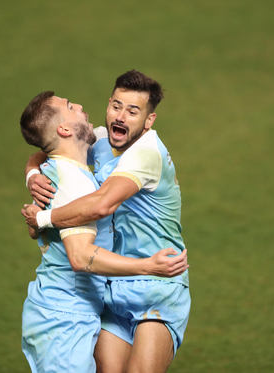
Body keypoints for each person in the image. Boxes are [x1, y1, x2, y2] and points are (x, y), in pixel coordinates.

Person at [23, 70, 190, 373]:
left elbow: (102, 205)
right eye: (116, 105)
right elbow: (51, 144)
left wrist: (44, 218)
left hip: (157, 282)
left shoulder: (146, 154)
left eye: (133, 111)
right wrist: (33, 172)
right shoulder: (100, 141)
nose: (121, 117)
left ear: (148, 121)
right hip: (113, 286)